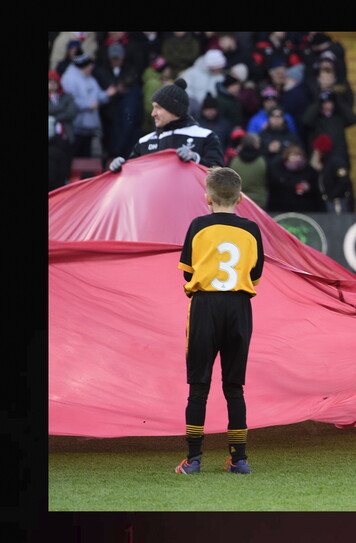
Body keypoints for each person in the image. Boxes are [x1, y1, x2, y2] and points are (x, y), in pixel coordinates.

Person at [175, 167, 264, 475]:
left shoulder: (198, 225)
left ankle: (193, 460)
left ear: (207, 197)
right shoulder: (251, 229)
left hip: (204, 306)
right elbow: (256, 274)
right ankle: (239, 460)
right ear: (240, 198)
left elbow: (188, 271)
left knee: (198, 386)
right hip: (239, 307)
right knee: (234, 386)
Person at [108, 78, 224, 173]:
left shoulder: (205, 137)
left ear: (173, 109)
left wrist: (196, 159)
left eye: (158, 108)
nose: (153, 114)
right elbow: (133, 178)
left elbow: (220, 176)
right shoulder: (145, 142)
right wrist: (121, 168)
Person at [60, 54, 117, 160]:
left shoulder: (91, 79)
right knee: (75, 157)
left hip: (90, 127)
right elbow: (70, 101)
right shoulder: (68, 79)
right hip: (76, 127)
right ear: (83, 66)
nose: (91, 68)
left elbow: (98, 96)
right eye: (89, 66)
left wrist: (107, 94)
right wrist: (88, 105)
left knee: (87, 159)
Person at [49, 70, 78, 190]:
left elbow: (71, 112)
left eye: (55, 82)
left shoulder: (66, 97)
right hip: (51, 141)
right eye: (50, 82)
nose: (52, 85)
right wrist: (61, 112)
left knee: (64, 168)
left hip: (65, 139)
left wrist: (54, 116)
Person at [311, 133, 353, 214]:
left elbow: (344, 181)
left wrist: (333, 195)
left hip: (338, 201)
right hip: (330, 200)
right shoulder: (326, 163)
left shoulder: (336, 162)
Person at [228, 132, 268, 208]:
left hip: (238, 201)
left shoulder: (233, 161)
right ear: (256, 144)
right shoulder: (263, 161)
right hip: (258, 202)